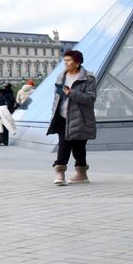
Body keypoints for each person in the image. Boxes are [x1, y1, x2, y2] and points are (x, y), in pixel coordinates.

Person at [47, 49, 97, 185]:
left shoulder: (88, 78)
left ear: (77, 62)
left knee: (79, 146)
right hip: (63, 117)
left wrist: (71, 93)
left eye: (68, 60)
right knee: (64, 145)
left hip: (80, 118)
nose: (65, 63)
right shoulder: (61, 76)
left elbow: (90, 98)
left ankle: (81, 174)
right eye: (65, 60)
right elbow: (57, 98)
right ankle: (60, 173)